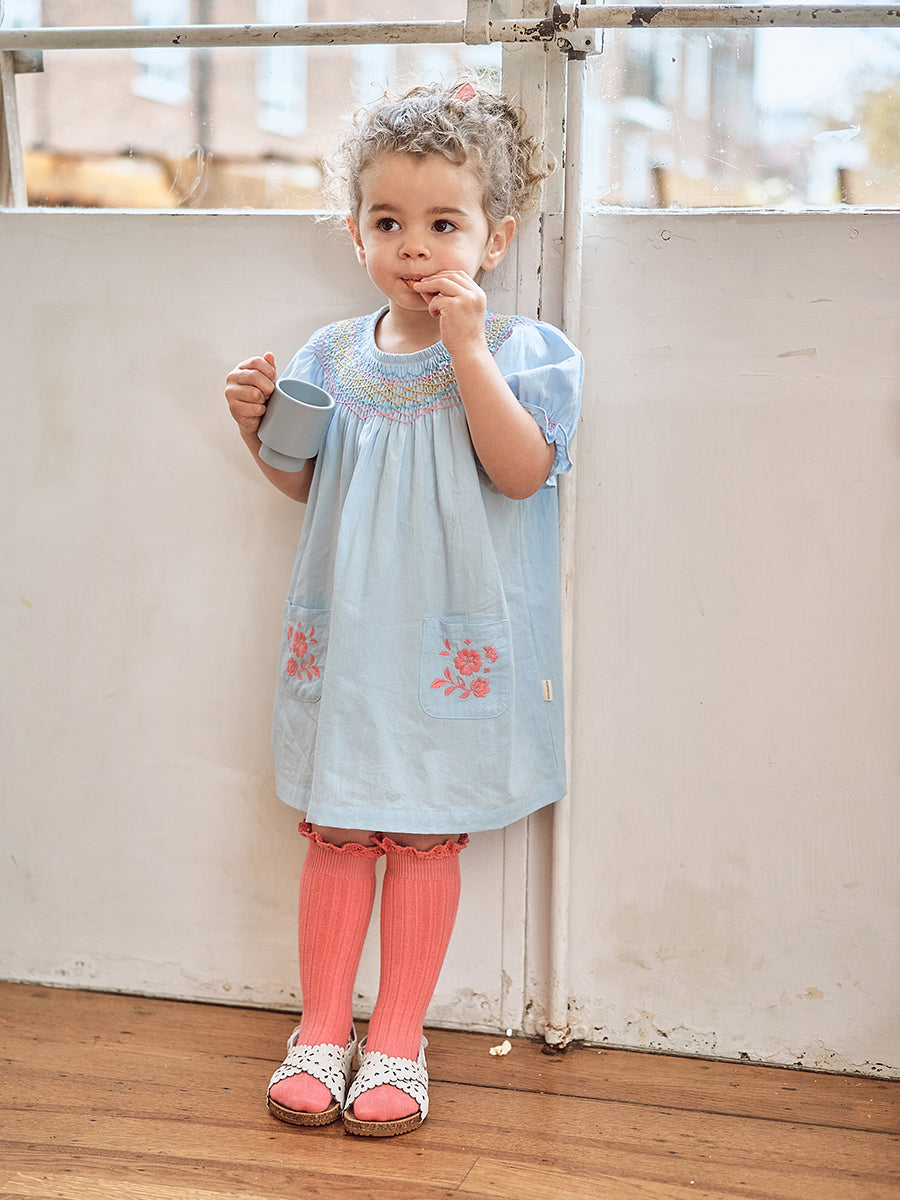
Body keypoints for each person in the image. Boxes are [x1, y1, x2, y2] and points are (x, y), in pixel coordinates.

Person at [224, 80, 583, 1138]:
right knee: (339, 828)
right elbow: (304, 483)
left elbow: (521, 473)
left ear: (495, 238)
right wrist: (258, 431)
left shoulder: (522, 352)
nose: (414, 246)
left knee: (425, 832)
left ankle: (398, 1039)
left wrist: (466, 348)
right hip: (351, 642)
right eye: (387, 222)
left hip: (446, 644)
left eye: (443, 225)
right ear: (356, 233)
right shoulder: (332, 356)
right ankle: (319, 1029)